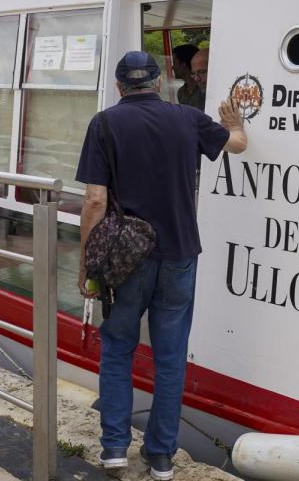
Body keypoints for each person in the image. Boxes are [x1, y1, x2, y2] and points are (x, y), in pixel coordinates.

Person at [76, 51, 247, 480]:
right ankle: (161, 457)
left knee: (118, 349)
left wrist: (87, 265)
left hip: (125, 260)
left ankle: (115, 448)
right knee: (170, 359)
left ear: (119, 86)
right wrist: (236, 124)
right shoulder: (186, 118)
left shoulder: (105, 123)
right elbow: (238, 145)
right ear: (158, 82)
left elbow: (95, 200)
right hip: (179, 255)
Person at [172, 44, 203, 110]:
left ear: (183, 65)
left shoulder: (204, 91)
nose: (172, 67)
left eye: (174, 63)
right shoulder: (181, 92)